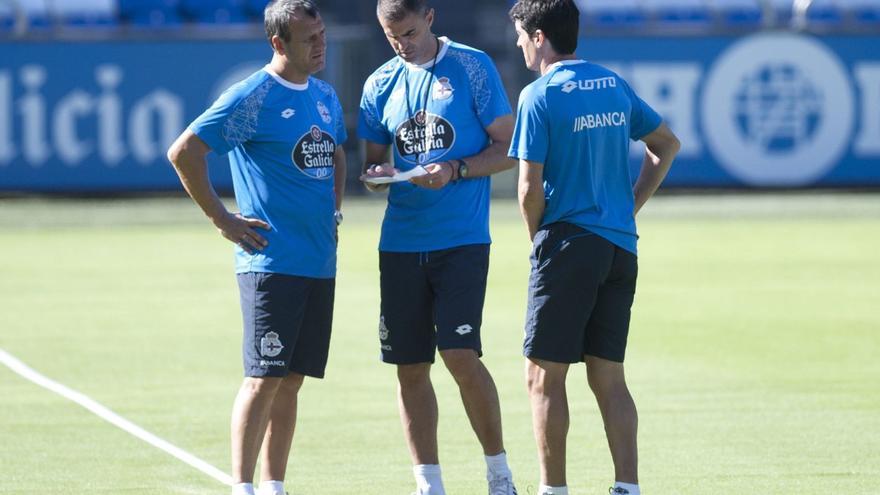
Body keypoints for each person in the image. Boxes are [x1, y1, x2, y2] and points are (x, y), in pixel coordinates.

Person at [166, 1, 347, 494]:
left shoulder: (326, 95)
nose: (320, 44)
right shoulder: (253, 96)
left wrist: (334, 210)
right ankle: (242, 486)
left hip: (318, 261)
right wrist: (220, 217)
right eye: (308, 37)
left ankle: (274, 485)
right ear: (278, 43)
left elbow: (335, 152)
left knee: (291, 381)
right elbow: (184, 151)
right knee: (263, 378)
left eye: (322, 33)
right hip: (271, 262)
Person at [507, 1, 681, 494]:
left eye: (521, 34)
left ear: (539, 36)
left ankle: (553, 490)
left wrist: (539, 241)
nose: (519, 42)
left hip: (568, 244)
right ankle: (627, 487)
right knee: (609, 378)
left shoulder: (538, 95)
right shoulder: (613, 83)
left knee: (543, 378)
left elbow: (527, 189)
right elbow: (666, 144)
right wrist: (629, 207)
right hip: (619, 249)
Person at [357, 1, 518, 494]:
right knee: (409, 366)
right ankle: (429, 484)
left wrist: (455, 170)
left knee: (460, 354)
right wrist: (380, 178)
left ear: (429, 17)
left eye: (408, 32)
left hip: (462, 239)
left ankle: (499, 474)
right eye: (391, 37)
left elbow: (509, 150)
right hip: (402, 242)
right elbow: (373, 166)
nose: (401, 44)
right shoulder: (379, 83)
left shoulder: (472, 66)